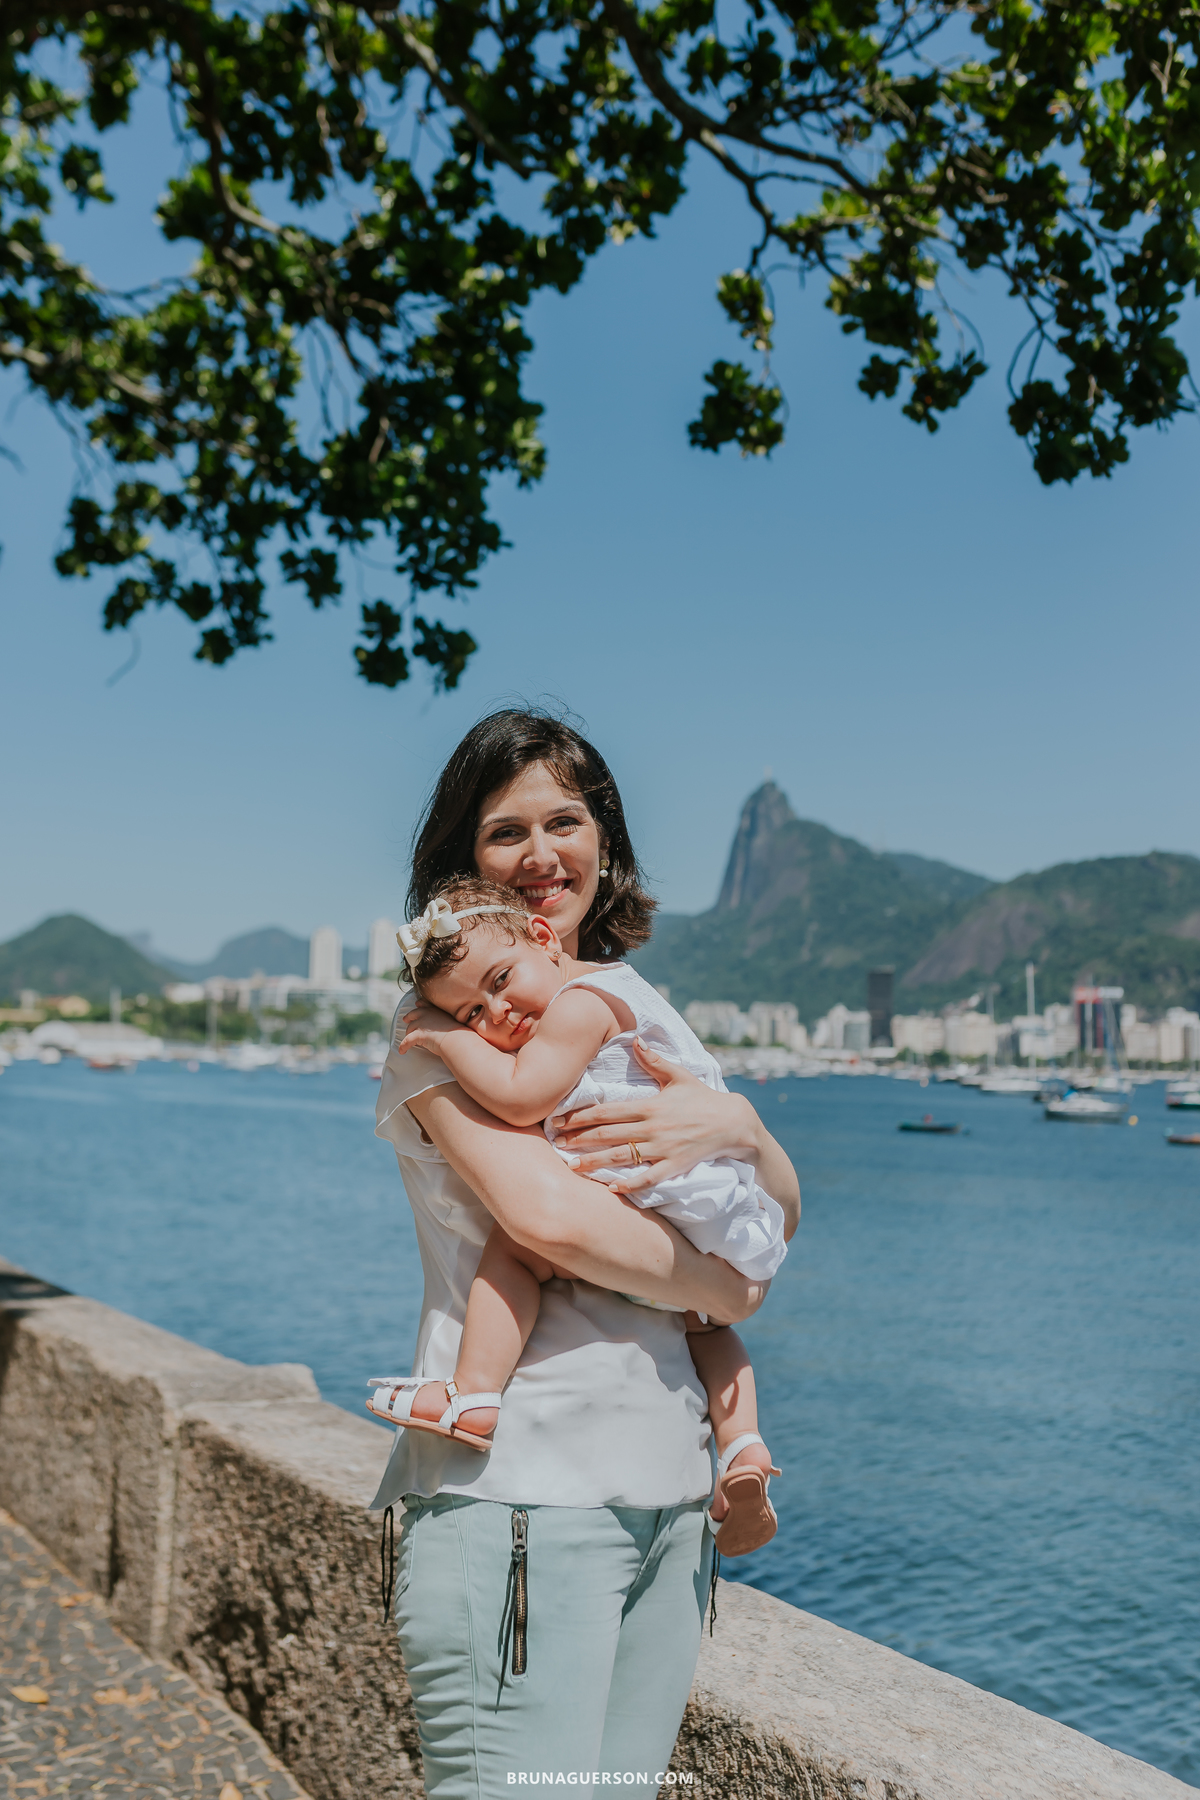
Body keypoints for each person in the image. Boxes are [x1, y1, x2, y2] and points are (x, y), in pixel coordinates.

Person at [369, 708, 800, 1799]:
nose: (541, 855)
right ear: (461, 865)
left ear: (605, 839)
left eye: (565, 820)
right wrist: (728, 1285)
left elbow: (778, 1204)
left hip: (669, 1497)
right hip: (523, 1492)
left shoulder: (616, 1016)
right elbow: (548, 1224)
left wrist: (739, 1129)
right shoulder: (447, 1028)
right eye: (504, 832)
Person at [370, 874, 790, 1556]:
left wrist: (448, 1039)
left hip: (657, 1193)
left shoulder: (584, 1003)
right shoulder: (625, 991)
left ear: (543, 938)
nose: (497, 1013)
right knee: (707, 1330)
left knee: (514, 1253)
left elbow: (519, 1096)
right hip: (699, 1218)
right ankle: (743, 1447)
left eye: (502, 980)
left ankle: (473, 1392)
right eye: (474, 1012)